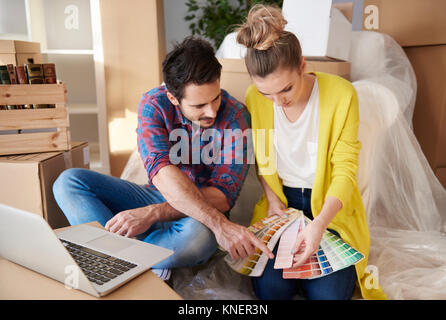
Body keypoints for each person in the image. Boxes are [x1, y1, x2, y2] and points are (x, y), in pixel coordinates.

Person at [53, 36, 273, 281]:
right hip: (155, 194)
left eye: (215, 98)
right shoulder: (154, 104)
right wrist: (148, 209)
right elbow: (161, 173)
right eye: (199, 105)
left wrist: (152, 214)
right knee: (68, 183)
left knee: (197, 238)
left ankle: (114, 254)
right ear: (172, 98)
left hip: (200, 212)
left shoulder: (236, 116)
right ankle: (147, 256)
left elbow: (222, 197)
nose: (211, 111)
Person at [236, 5, 387, 300]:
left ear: (303, 65)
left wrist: (319, 226)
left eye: (286, 89)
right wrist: (272, 201)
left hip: (330, 210)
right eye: (267, 93)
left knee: (329, 296)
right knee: (270, 292)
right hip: (283, 206)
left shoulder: (342, 95)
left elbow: (345, 170)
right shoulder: (255, 97)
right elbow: (264, 158)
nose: (277, 102)